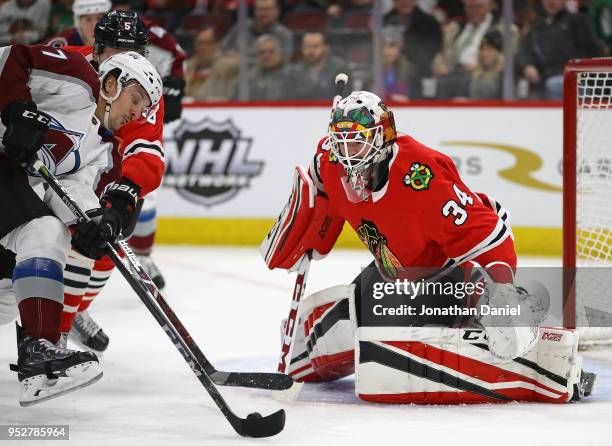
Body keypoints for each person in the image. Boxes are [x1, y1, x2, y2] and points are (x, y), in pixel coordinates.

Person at [261, 91, 595, 404]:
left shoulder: (421, 178)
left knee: (385, 363)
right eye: (341, 143)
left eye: (358, 143)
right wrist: (309, 233)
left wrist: (503, 292)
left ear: (383, 136)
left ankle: (531, 345)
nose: (348, 155)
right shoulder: (328, 161)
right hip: (397, 274)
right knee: (337, 327)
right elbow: (320, 190)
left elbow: (491, 236)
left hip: (451, 273)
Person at [0, 45, 162, 406]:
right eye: (134, 98)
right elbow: (14, 58)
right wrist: (15, 109)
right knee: (42, 231)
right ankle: (40, 355)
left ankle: (39, 365)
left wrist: (92, 220)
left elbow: (71, 188)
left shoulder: (102, 151)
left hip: (9, 194)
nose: (136, 112)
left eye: (143, 108)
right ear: (112, 83)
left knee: (10, 296)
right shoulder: (76, 77)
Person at [56, 10, 167, 353]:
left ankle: (74, 311)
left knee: (108, 241)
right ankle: (52, 329)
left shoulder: (141, 89)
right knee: (67, 242)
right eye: (117, 52)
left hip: (110, 173)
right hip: (59, 166)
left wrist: (128, 191)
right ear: (98, 48)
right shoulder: (66, 64)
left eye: (134, 52)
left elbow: (145, 150)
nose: (127, 61)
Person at [518, 0, 604, 99]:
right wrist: (527, 65)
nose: (551, 2)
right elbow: (524, 52)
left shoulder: (577, 21)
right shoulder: (537, 27)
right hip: (544, 80)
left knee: (555, 85)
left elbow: (594, 51)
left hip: (575, 79)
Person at [222, 0, 294, 64]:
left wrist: (243, 60)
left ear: (277, 12)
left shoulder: (284, 35)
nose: (263, 14)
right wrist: (229, 55)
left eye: (267, 9)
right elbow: (222, 48)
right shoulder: (241, 26)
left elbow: (283, 62)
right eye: (259, 9)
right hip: (233, 73)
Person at [289, 32, 348, 101]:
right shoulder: (295, 71)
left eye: (315, 46)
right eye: (307, 46)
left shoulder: (339, 68)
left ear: (326, 47)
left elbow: (345, 96)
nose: (311, 51)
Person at [185, 26, 239, 101]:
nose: (203, 47)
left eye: (207, 43)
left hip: (214, 109)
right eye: (200, 43)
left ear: (216, 45)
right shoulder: (187, 66)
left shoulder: (228, 66)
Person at [44, 0, 111, 47]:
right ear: (79, 24)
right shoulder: (62, 44)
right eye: (88, 20)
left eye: (99, 18)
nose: (95, 26)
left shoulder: (117, 43)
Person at [248, 34, 292, 100]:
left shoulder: (292, 76)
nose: (267, 56)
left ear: (280, 54)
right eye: (262, 52)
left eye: (271, 52)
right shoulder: (249, 77)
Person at [467, 29, 504, 99]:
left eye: (489, 49)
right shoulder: (476, 73)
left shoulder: (503, 75)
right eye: (482, 49)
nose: (484, 53)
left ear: (498, 52)